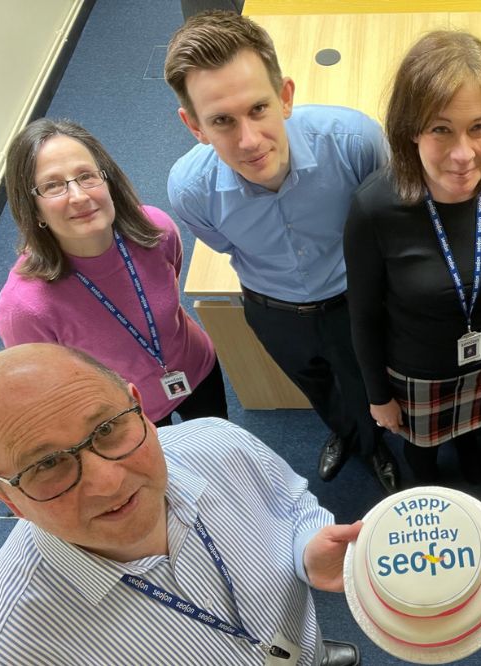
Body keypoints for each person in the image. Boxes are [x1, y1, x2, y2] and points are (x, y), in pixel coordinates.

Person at [0, 343, 362, 666]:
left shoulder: (220, 442)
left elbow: (291, 501)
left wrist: (306, 550)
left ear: (141, 408)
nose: (109, 482)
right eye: (48, 464)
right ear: (3, 495)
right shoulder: (3, 653)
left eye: (107, 429)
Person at [165, 10, 398, 493]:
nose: (249, 141)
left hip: (353, 299)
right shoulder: (190, 190)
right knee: (313, 385)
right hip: (272, 308)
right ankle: (344, 432)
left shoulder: (355, 143)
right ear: (194, 126)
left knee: (364, 383)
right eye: (222, 121)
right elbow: (226, 247)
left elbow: (387, 225)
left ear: (285, 96)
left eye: (258, 110)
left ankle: (373, 446)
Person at [343, 31, 481, 484]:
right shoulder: (374, 207)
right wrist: (378, 396)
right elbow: (364, 315)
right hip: (417, 373)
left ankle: (471, 461)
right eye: (440, 129)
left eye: (479, 127)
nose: (463, 155)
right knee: (422, 457)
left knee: (478, 437)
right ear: (411, 129)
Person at [0, 118, 227, 427]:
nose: (78, 196)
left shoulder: (156, 229)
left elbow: (170, 281)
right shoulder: (24, 308)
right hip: (125, 411)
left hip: (196, 368)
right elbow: (51, 381)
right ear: (33, 208)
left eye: (86, 176)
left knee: (221, 447)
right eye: (53, 186)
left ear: (108, 181)